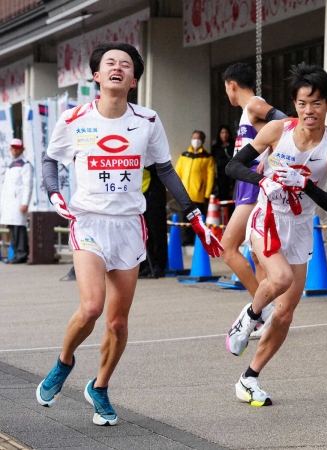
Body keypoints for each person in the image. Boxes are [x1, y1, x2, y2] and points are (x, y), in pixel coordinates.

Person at [36, 42, 223, 426]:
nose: (118, 68)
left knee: (117, 322)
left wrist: (193, 213)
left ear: (134, 79)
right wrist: (54, 192)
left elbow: (167, 170)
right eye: (110, 63)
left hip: (128, 226)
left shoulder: (148, 120)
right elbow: (50, 160)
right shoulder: (73, 119)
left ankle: (100, 387)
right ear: (97, 75)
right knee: (91, 307)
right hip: (88, 221)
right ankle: (64, 362)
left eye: (126, 65)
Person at [225, 62, 327, 406]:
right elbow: (233, 166)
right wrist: (263, 179)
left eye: (316, 103)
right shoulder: (277, 130)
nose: (309, 111)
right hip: (267, 218)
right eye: (302, 103)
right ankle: (248, 318)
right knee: (278, 279)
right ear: (294, 105)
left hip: (299, 228)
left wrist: (305, 183)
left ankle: (249, 378)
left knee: (285, 313)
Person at [222, 63, 287, 337]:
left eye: (225, 87)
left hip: (254, 189)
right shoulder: (246, 113)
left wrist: (271, 159)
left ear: (232, 85)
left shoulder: (254, 105)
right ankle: (269, 314)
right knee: (258, 258)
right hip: (246, 188)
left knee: (227, 248)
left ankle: (261, 310)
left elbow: (287, 124)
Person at [175, 130, 215, 245]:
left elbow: (210, 177)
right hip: (184, 194)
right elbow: (177, 174)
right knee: (184, 219)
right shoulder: (184, 156)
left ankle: (196, 241)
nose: (195, 140)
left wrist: (207, 194)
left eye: (198, 138)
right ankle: (185, 240)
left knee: (197, 220)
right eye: (194, 138)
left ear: (202, 141)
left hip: (198, 194)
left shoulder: (207, 157)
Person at [0, 138, 33, 264]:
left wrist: (25, 202)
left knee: (19, 228)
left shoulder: (25, 164)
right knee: (12, 228)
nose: (15, 150)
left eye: (17, 148)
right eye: (13, 148)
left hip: (18, 202)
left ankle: (22, 254)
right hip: (9, 204)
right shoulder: (10, 165)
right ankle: (16, 254)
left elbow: (27, 185)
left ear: (22, 149)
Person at [139, 164, 168, 279]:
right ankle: (147, 265)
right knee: (144, 234)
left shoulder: (154, 159)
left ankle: (158, 266)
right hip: (141, 197)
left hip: (154, 199)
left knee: (156, 232)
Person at [211, 125, 235, 202]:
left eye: (226, 133)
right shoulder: (216, 147)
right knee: (222, 196)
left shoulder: (233, 145)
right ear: (219, 134)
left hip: (233, 175)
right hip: (221, 175)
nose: (224, 135)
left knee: (232, 195)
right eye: (222, 133)